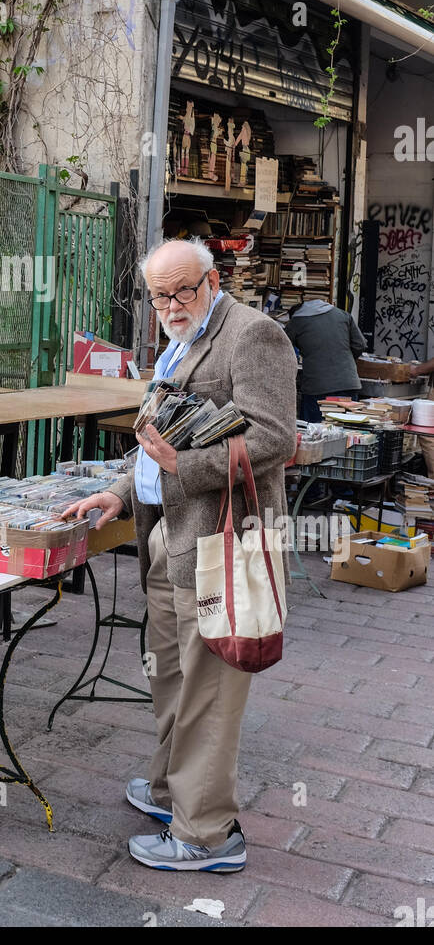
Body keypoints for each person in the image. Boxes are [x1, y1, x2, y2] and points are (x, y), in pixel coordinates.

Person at [63, 238, 297, 872]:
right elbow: (154, 439)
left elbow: (276, 437)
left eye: (183, 291)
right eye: (159, 295)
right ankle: (172, 792)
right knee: (171, 676)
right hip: (167, 534)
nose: (170, 304)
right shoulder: (181, 339)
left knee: (210, 687)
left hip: (219, 539)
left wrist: (184, 465)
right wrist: (117, 492)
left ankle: (207, 834)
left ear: (213, 279)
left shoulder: (253, 335)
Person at [283, 296, 366, 422]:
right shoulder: (343, 315)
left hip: (318, 386)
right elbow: (360, 345)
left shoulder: (297, 321)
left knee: (316, 431)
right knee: (346, 428)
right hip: (348, 382)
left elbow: (282, 348)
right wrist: (345, 360)